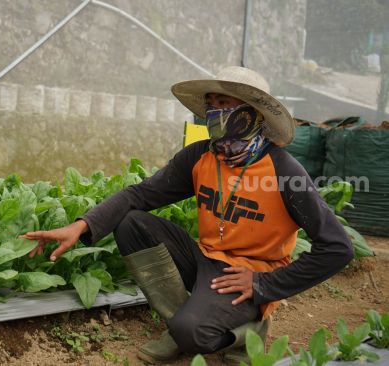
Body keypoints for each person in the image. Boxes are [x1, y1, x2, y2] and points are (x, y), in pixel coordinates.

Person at [21, 66, 354, 363]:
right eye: (212, 103)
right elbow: (140, 194)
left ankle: (246, 332)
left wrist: (265, 283)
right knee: (131, 223)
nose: (215, 112)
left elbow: (338, 248)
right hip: (206, 259)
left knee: (193, 333)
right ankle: (182, 320)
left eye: (226, 104)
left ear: (252, 113)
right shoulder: (201, 156)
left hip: (249, 273)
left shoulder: (284, 171)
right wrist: (80, 227)